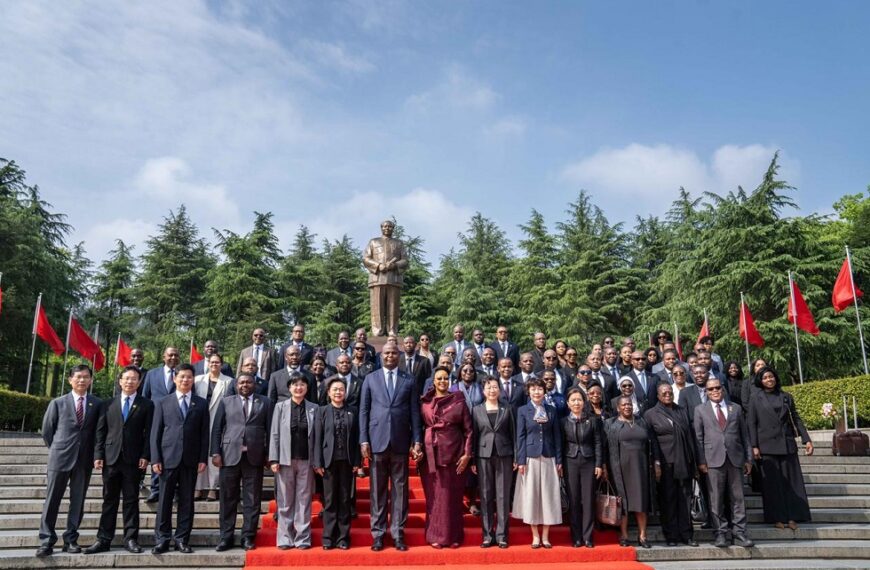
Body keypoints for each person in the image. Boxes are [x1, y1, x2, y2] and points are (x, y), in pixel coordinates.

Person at [359, 342, 423, 552]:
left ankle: (397, 532)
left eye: (394, 353)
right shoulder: (371, 378)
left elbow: (415, 412)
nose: (390, 356)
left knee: (400, 490)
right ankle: (378, 534)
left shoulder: (409, 379)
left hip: (400, 441)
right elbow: (364, 411)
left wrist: (417, 440)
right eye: (386, 353)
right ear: (381, 355)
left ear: (400, 356)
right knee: (377, 491)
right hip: (376, 441)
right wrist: (364, 440)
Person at [36, 364, 103, 557]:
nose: (82, 380)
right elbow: (48, 431)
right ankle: (46, 540)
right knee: (52, 500)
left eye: (86, 377)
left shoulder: (97, 404)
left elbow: (98, 432)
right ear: (70, 380)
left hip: (84, 460)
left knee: (78, 500)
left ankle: (71, 539)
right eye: (78, 377)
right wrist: (58, 449)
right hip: (60, 458)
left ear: (90, 380)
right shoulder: (58, 403)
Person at [86, 366, 153, 555]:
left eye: (134, 379)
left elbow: (149, 433)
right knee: (109, 500)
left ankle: (131, 539)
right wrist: (98, 456)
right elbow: (100, 432)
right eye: (126, 378)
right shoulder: (107, 404)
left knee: (131, 500)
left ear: (139, 382)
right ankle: (103, 539)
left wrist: (146, 455)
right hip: (111, 459)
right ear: (120, 381)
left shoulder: (147, 404)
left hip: (133, 460)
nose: (130, 382)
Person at [150, 364, 209, 554]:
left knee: (186, 502)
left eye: (189, 377)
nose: (185, 380)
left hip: (191, 460)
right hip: (167, 459)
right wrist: (155, 458)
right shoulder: (163, 402)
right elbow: (155, 433)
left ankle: (182, 538)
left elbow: (204, 434)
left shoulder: (200, 403)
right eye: (182, 377)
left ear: (193, 380)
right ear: (175, 379)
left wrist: (202, 458)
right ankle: (162, 539)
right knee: (164, 501)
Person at [211, 374, 272, 551]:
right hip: (229, 456)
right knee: (227, 499)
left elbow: (270, 430)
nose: (245, 385)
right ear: (236, 385)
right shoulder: (226, 401)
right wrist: (215, 452)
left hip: (254, 457)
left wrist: (269, 454)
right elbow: (217, 429)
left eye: (249, 382)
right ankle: (226, 537)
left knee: (252, 499)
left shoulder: (266, 402)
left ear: (255, 384)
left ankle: (248, 536)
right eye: (242, 382)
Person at [748, 366, 813, 529]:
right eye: (765, 378)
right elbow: (751, 423)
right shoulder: (756, 398)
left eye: (771, 377)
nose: (769, 380)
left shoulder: (786, 397)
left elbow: (796, 419)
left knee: (791, 483)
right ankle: (776, 517)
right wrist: (754, 446)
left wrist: (807, 440)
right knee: (772, 485)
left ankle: (793, 516)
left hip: (787, 444)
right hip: (767, 446)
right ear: (760, 381)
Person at [694, 377, 754, 548]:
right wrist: (701, 461)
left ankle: (739, 532)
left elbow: (745, 436)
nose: (714, 391)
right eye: (710, 389)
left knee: (738, 498)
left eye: (717, 388)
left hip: (735, 459)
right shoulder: (700, 410)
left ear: (723, 389)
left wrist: (749, 459)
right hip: (713, 460)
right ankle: (720, 533)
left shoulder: (735, 408)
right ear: (706, 392)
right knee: (716, 499)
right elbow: (698, 438)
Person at [419, 366, 473, 548]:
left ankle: (454, 536)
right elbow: (419, 428)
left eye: (445, 378)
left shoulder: (458, 400)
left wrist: (467, 454)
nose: (443, 381)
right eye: (439, 378)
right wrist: (416, 447)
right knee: (435, 496)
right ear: (433, 381)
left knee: (451, 496)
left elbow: (469, 430)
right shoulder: (425, 402)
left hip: (454, 454)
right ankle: (435, 535)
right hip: (430, 455)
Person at [645, 383, 699, 547]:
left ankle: (687, 534)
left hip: (683, 461)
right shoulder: (651, 414)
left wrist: (694, 463)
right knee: (668, 500)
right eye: (664, 393)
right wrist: (656, 463)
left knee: (685, 498)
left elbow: (690, 436)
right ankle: (671, 535)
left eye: (670, 392)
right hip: (664, 464)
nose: (668, 395)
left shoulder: (681, 410)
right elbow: (651, 441)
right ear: (658, 395)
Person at [269, 372, 318, 549]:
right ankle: (285, 538)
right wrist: (274, 458)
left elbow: (317, 437)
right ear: (289, 388)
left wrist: (317, 461)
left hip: (307, 460)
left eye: (302, 384)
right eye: (295, 385)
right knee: (285, 500)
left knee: (304, 500)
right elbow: (274, 433)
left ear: (307, 388)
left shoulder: (314, 408)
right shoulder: (280, 407)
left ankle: (303, 538)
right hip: (285, 460)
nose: (299, 388)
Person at [513, 377, 562, 549]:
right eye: (533, 389)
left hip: (548, 456)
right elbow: (520, 436)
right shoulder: (522, 410)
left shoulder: (551, 410)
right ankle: (535, 536)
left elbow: (557, 436)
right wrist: (520, 460)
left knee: (548, 495)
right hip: (530, 457)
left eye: (540, 389)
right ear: (529, 391)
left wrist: (559, 459)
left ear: (544, 391)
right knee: (532, 496)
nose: (537, 392)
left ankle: (546, 536)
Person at [313, 377, 361, 550]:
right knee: (330, 500)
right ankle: (328, 537)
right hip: (328, 462)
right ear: (328, 392)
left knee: (344, 499)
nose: (338, 392)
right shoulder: (322, 411)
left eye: (341, 389)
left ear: (345, 392)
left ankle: (343, 538)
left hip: (347, 462)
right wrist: (317, 462)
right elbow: (316, 438)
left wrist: (357, 461)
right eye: (335, 389)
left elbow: (356, 438)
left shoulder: (352, 411)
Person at [471, 377, 516, 548]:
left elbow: (513, 434)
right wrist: (473, 459)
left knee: (503, 496)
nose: (492, 390)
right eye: (489, 388)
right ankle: (488, 535)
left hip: (504, 455)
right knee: (485, 495)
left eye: (495, 387)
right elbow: (474, 436)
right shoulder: (476, 410)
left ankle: (502, 535)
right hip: (483, 456)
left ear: (500, 389)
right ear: (483, 391)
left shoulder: (508, 409)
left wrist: (517, 457)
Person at [604, 395, 652, 548]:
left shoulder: (641, 422)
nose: (627, 407)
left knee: (641, 502)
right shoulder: (611, 425)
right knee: (623, 503)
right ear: (618, 408)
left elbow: (651, 444)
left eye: (629, 404)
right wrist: (605, 467)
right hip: (620, 469)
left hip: (641, 468)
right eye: (623, 405)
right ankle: (624, 535)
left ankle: (642, 536)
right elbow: (606, 449)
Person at [561, 388, 604, 548]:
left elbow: (598, 443)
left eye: (579, 400)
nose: (576, 403)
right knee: (574, 500)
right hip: (570, 461)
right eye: (573, 400)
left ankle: (588, 537)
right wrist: (559, 464)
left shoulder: (592, 420)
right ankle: (576, 537)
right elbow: (561, 444)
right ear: (568, 403)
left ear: (584, 402)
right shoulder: (563, 421)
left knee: (588, 500)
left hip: (589, 462)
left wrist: (599, 464)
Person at [141, 346, 181, 502]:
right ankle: (156, 488)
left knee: (175, 453)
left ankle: (175, 489)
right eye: (170, 355)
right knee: (156, 452)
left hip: (176, 420)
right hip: (155, 419)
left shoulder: (182, 375)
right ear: (164, 357)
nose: (173, 358)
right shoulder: (152, 374)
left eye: (176, 355)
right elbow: (145, 396)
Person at [194, 353, 233, 501]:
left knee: (214, 454)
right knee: (199, 453)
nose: (214, 364)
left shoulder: (229, 382)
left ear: (221, 364)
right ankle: (197, 488)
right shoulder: (198, 380)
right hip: (200, 421)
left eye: (217, 362)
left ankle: (212, 488)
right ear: (208, 363)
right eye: (212, 362)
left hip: (218, 422)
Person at [363, 220, 409, 336]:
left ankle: (392, 330)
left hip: (394, 279)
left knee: (393, 307)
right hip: (377, 278)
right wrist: (378, 265)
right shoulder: (373, 242)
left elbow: (405, 260)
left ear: (393, 228)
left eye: (389, 226)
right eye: (385, 226)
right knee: (377, 307)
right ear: (381, 228)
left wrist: (395, 265)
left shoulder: (399, 243)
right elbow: (366, 259)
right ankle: (377, 331)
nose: (387, 228)